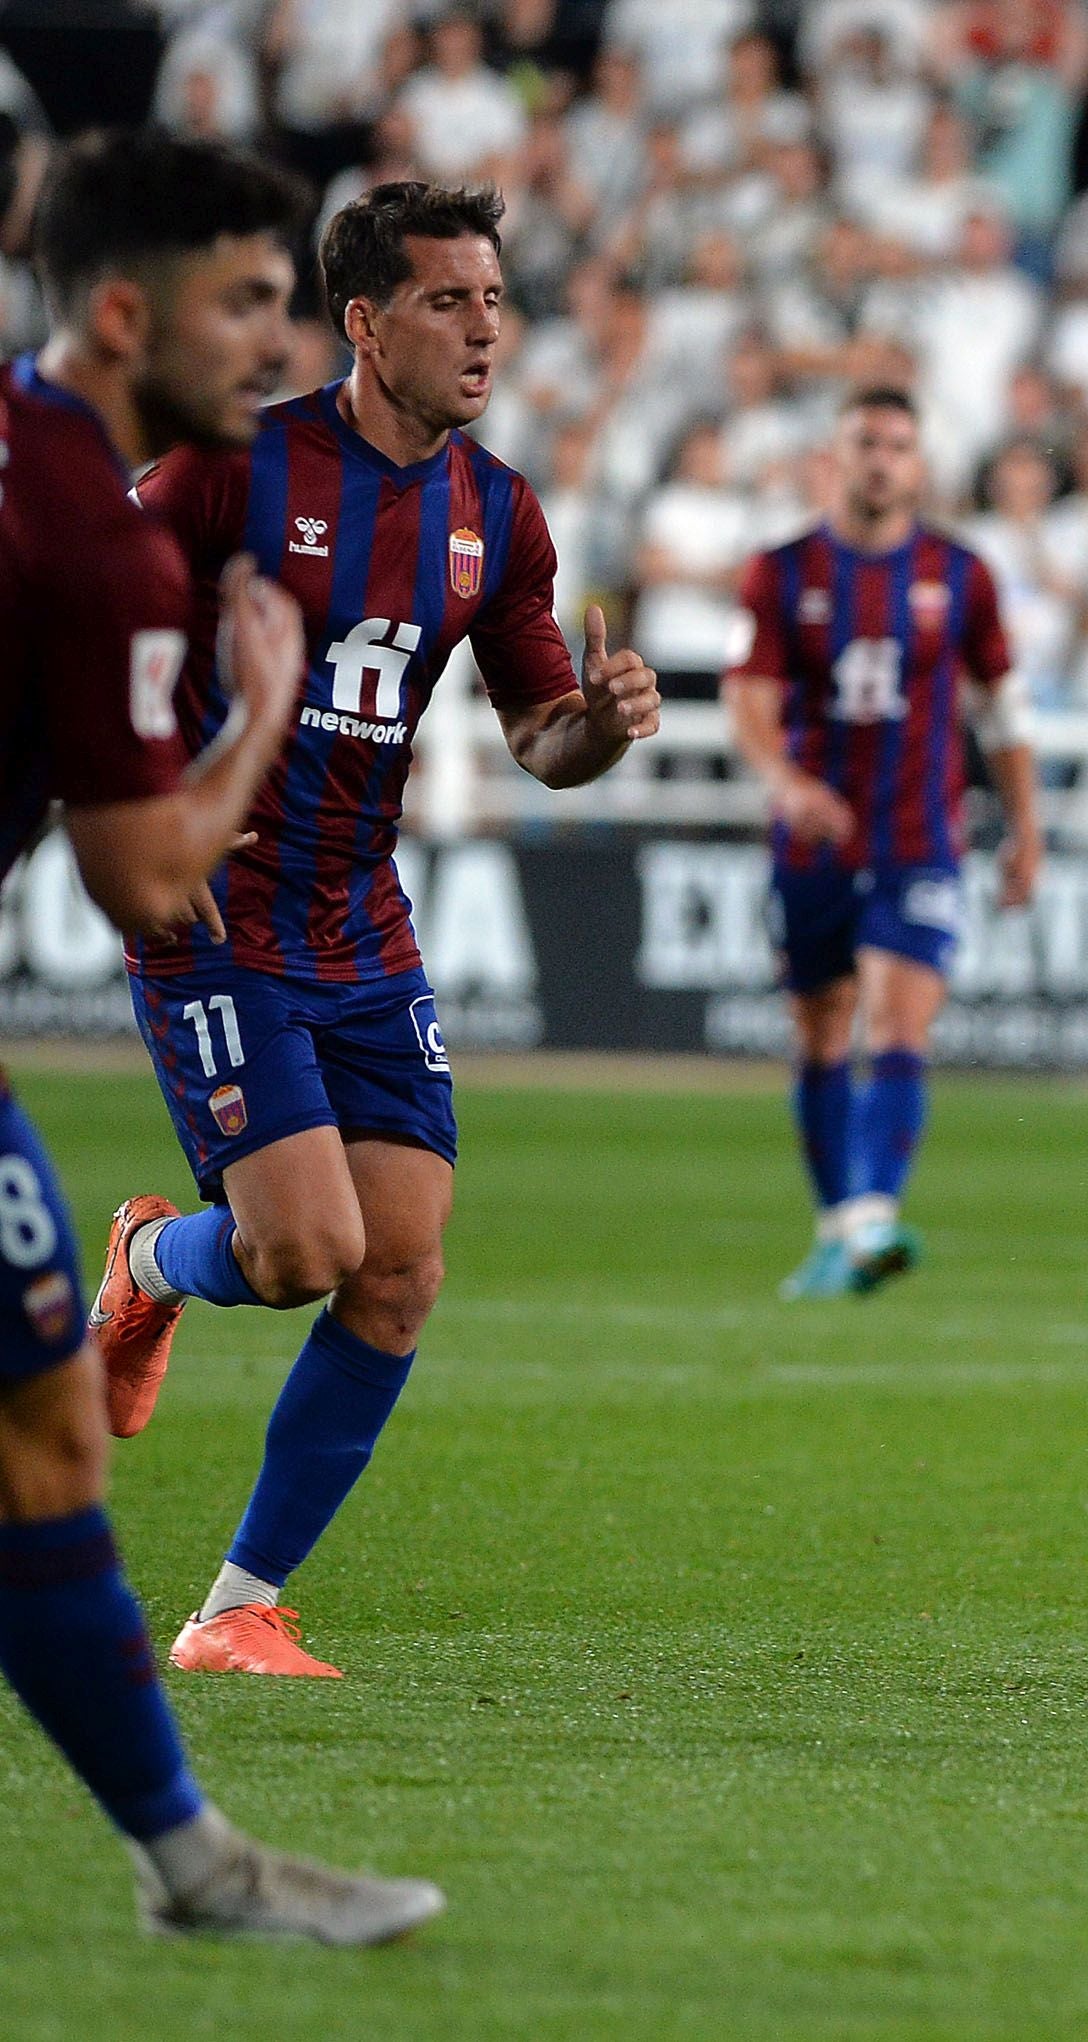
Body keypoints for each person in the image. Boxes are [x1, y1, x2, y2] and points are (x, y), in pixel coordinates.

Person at [88, 181, 665, 1681]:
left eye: (493, 299)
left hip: (362, 921)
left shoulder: (497, 513)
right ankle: (152, 1267)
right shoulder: (229, 471)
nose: (485, 330)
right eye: (447, 301)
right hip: (216, 914)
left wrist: (598, 729)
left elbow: (539, 735)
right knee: (299, 1253)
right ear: (365, 322)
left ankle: (235, 1611)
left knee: (397, 1268)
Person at [2, 126, 441, 1940]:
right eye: (247, 304)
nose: (276, 345)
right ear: (127, 312)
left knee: (44, 1439)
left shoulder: (47, 475)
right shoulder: (99, 537)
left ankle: (193, 1860)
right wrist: (260, 708)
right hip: (224, 922)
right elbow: (146, 873)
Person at [724, 388, 1041, 1299]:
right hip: (814, 841)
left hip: (921, 836)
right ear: (835, 456)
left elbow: (1002, 708)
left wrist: (1027, 826)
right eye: (866, 441)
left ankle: (871, 1218)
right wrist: (787, 784)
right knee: (821, 1024)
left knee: (899, 1019)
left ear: (920, 464)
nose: (881, 460)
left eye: (899, 445)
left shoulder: (961, 574)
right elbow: (749, 702)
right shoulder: (781, 572)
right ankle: (838, 1229)